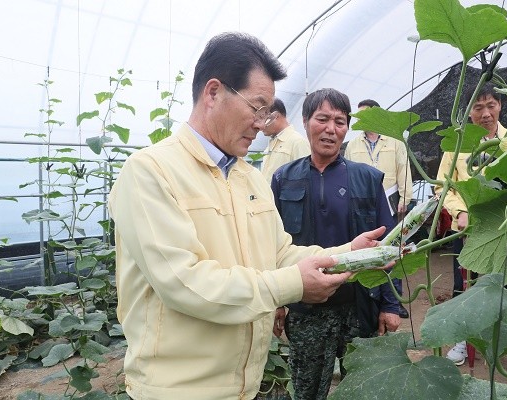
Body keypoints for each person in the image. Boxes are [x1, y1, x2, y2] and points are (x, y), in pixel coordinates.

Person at [108, 32, 391, 400]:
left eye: (268, 111)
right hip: (179, 390)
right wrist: (291, 285)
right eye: (257, 106)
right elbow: (185, 283)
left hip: (245, 385)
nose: (262, 122)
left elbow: (280, 254)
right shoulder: (150, 172)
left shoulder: (249, 176)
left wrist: (347, 253)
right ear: (213, 92)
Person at [270, 88, 402, 400]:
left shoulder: (368, 178)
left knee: (362, 388)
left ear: (346, 129)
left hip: (359, 305)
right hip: (306, 309)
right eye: (323, 119)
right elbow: (272, 244)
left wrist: (391, 304)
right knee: (307, 390)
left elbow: (389, 245)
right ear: (306, 122)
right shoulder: (283, 179)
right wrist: (277, 298)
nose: (331, 129)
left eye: (340, 122)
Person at [434, 82, 507, 366]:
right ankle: (463, 339)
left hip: (503, 227)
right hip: (464, 229)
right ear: (468, 112)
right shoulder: (458, 142)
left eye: (491, 105)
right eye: (478, 107)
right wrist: (460, 211)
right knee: (463, 287)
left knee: (506, 286)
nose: (486, 113)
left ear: (500, 105)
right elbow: (442, 186)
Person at [344, 98, 414, 319]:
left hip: (391, 206)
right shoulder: (353, 145)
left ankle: (394, 300)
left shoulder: (394, 141)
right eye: (359, 115)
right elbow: (347, 174)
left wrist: (405, 198)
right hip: (362, 207)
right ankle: (369, 295)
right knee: (368, 250)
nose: (362, 119)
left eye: (367, 115)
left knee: (392, 251)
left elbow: (404, 170)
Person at [260, 97, 310, 183]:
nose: (261, 126)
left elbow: (306, 179)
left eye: (263, 120)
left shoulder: (297, 142)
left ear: (276, 116)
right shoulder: (270, 145)